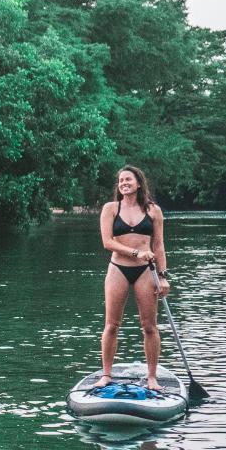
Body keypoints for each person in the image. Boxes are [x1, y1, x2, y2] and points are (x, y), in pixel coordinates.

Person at [97, 165, 169, 390]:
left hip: (145, 272)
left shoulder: (153, 210)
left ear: (139, 183)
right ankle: (107, 374)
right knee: (111, 325)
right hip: (118, 268)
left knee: (149, 326)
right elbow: (107, 242)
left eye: (128, 179)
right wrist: (136, 252)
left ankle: (152, 377)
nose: (123, 183)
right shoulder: (110, 208)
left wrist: (163, 276)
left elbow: (158, 244)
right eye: (120, 180)